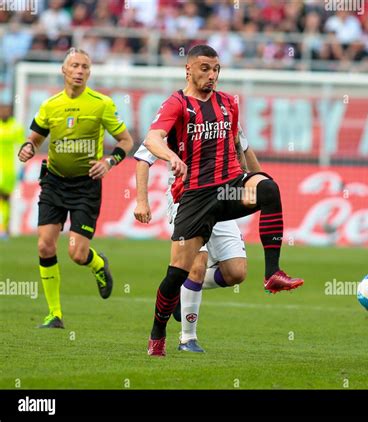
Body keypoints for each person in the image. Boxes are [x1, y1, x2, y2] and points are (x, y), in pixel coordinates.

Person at [139, 44, 304, 357]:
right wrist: (172, 157)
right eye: (204, 68)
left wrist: (257, 178)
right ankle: (158, 331)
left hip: (229, 188)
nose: (211, 75)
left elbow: (240, 146)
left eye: (216, 69)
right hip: (194, 196)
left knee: (269, 189)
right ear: (188, 69)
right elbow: (150, 140)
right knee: (177, 273)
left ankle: (272, 274)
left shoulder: (228, 103)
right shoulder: (177, 104)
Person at [17, 48, 134, 329]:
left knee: (77, 254)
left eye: (85, 67)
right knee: (45, 244)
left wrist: (109, 162)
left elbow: (127, 141)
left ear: (89, 72)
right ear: (64, 71)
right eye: (75, 66)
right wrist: (27, 148)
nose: (80, 71)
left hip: (86, 186)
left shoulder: (101, 104)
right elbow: (33, 139)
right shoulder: (50, 106)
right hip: (54, 181)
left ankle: (97, 263)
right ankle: (54, 314)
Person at [134, 123, 262, 353]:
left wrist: (261, 184)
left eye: (215, 82)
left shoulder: (225, 111)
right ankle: (187, 339)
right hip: (186, 201)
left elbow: (244, 148)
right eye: (206, 82)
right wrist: (142, 201)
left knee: (236, 272)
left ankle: (180, 289)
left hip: (222, 197)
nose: (211, 84)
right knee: (197, 266)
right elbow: (144, 157)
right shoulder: (176, 113)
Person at [0, 103, 24, 238]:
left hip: (9, 169)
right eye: (2, 109)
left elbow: (21, 147)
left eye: (6, 110)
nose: (4, 112)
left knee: (6, 198)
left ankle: (5, 228)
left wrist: (21, 167)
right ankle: (3, 228)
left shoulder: (16, 127)